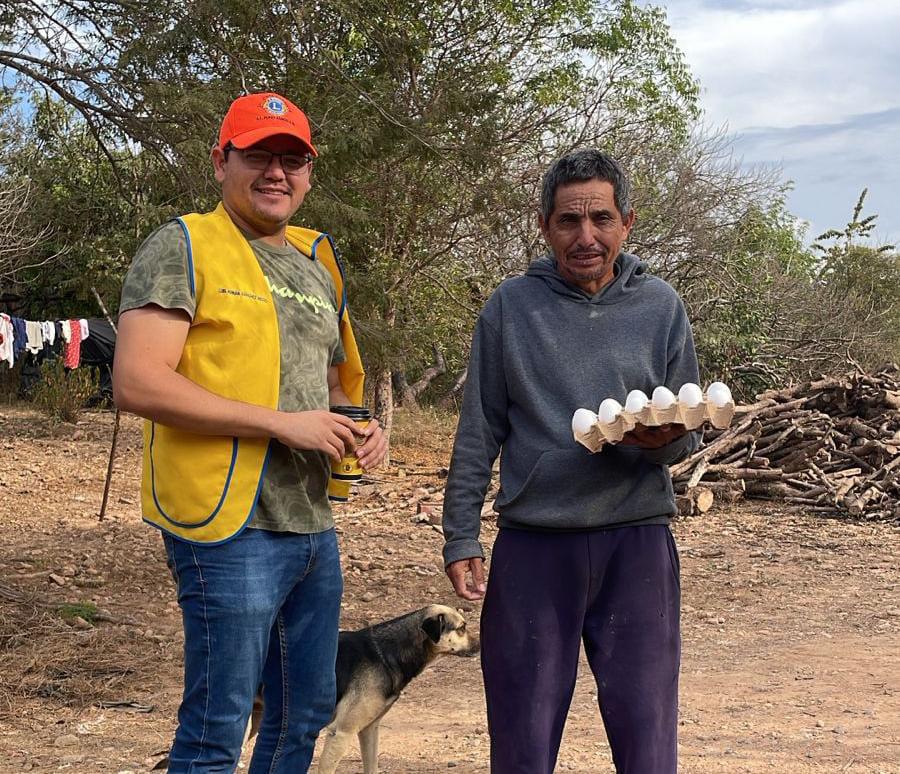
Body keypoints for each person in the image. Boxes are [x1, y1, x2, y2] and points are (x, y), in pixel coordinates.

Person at [113, 91, 387, 773]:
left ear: (309, 173)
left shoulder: (316, 261)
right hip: (228, 530)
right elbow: (139, 381)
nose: (276, 172)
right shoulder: (183, 246)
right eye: (258, 154)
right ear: (220, 160)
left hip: (310, 526)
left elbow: (326, 386)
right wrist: (279, 425)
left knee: (300, 721)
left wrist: (360, 428)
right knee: (217, 728)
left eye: (292, 159)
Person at [442, 149, 699, 773]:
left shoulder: (661, 306)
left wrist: (655, 442)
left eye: (601, 219)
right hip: (535, 547)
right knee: (522, 741)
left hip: (636, 542)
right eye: (568, 221)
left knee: (647, 740)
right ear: (544, 227)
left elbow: (685, 429)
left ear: (627, 223)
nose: (586, 236)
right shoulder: (510, 308)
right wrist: (459, 535)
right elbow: (480, 428)